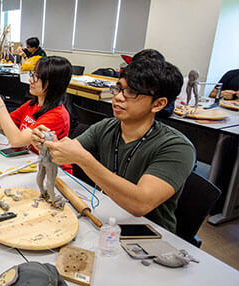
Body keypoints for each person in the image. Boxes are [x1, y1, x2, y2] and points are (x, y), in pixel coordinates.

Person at [31, 58, 195, 232]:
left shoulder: (177, 147)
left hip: (148, 233)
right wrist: (49, 143)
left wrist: (83, 159)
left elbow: (140, 204)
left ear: (158, 103)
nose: (117, 97)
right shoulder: (107, 127)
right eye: (118, 88)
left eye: (131, 92)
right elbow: (68, 151)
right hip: (107, 217)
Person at [0, 56, 73, 174]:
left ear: (53, 84)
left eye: (37, 77)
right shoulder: (32, 104)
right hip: (32, 161)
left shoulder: (57, 115)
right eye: (33, 75)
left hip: (56, 172)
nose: (31, 80)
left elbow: (16, 140)